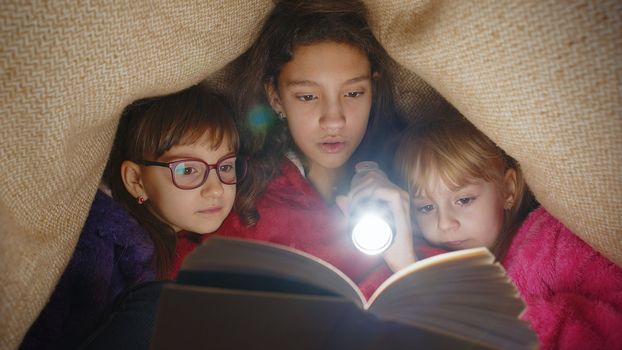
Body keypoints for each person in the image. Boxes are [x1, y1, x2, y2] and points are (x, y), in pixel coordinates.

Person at [215, 0, 422, 298]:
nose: (334, 120)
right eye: (308, 97)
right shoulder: (238, 201)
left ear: (373, 90)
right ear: (275, 98)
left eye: (353, 93)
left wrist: (405, 265)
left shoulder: (418, 187)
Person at [20, 84, 245, 350]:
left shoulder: (165, 239)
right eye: (187, 170)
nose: (216, 188)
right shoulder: (100, 243)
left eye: (226, 166)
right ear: (136, 181)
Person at [392, 112, 622, 349]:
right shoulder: (425, 257)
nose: (445, 223)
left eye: (464, 200)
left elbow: (613, 318)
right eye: (427, 207)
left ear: (508, 190)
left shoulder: (553, 243)